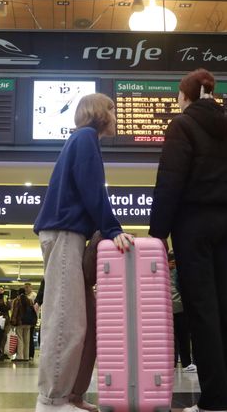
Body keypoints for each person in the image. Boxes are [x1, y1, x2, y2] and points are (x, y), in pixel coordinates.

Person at [148, 68, 227, 412]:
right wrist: (224, 210)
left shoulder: (182, 126)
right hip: (226, 224)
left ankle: (214, 400)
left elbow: (170, 181)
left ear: (187, 95)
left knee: (202, 310)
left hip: (193, 224)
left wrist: (158, 233)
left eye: (178, 94)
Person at [33, 93, 134, 412]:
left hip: (70, 234)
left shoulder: (82, 141)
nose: (116, 117)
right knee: (66, 319)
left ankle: (72, 395)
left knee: (85, 319)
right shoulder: (86, 138)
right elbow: (93, 188)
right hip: (65, 233)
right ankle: (52, 399)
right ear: (99, 112)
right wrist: (113, 228)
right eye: (113, 110)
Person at [169, 250, 196, 373]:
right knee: (171, 339)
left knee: (183, 337)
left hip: (181, 310)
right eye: (171, 262)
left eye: (174, 262)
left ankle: (186, 363)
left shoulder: (179, 272)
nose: (173, 265)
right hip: (167, 311)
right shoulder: (161, 273)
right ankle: (172, 363)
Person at [11, 288, 36, 361]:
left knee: (20, 338)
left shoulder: (17, 300)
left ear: (18, 292)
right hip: (28, 323)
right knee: (27, 340)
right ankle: (26, 357)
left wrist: (13, 321)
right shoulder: (30, 300)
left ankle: (20, 357)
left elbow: (15, 312)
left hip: (20, 322)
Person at [24, 282, 38, 359]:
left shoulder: (34, 295)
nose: (26, 289)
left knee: (30, 337)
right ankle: (26, 353)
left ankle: (31, 354)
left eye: (27, 287)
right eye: (25, 287)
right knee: (26, 337)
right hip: (26, 318)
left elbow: (35, 307)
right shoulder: (25, 295)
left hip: (32, 318)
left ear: (30, 287)